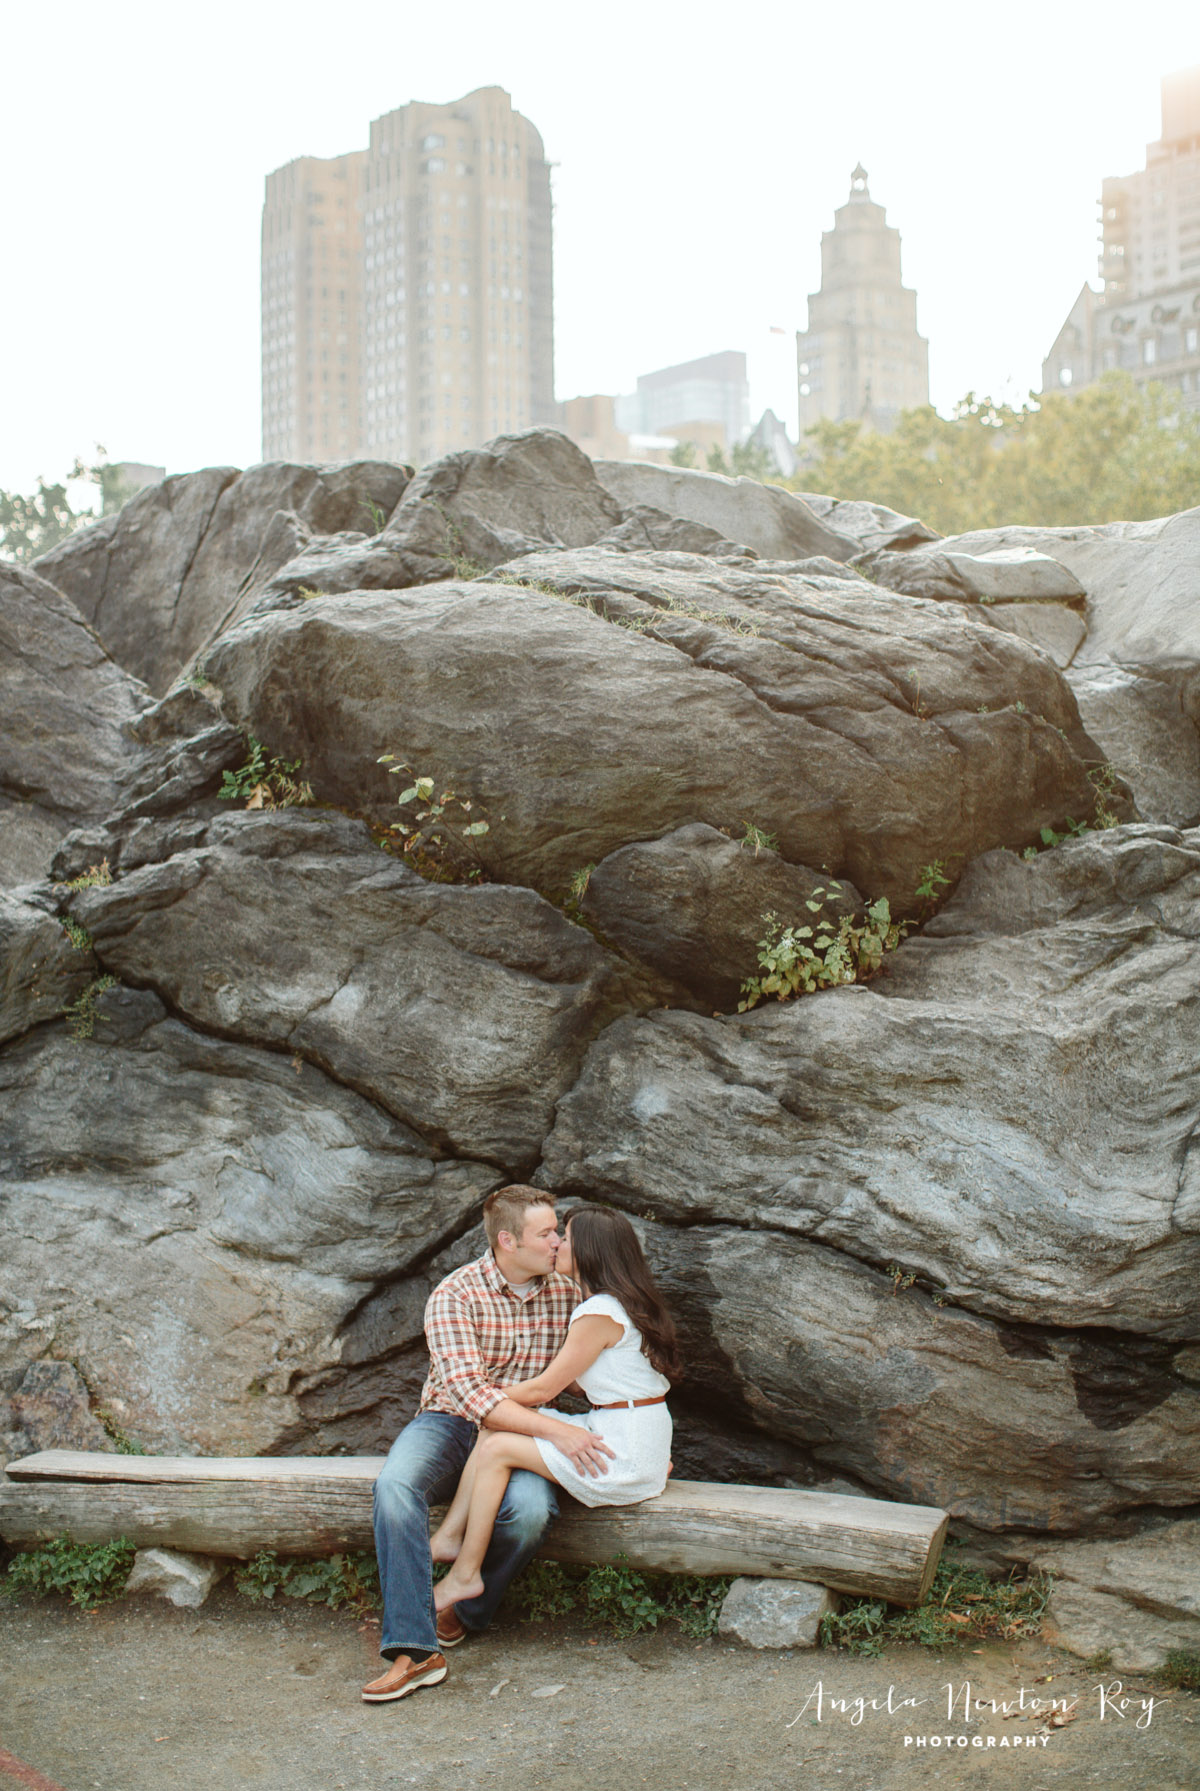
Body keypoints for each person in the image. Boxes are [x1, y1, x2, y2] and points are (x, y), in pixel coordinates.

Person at [362, 1185, 614, 1704]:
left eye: (557, 1231)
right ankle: (416, 1647)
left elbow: (601, 1374)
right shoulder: (455, 1294)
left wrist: (641, 1433)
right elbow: (471, 1396)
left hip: (523, 1432)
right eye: (546, 1233)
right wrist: (558, 1430)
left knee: (528, 1514)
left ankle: (462, 1606)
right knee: (394, 1487)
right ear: (507, 1240)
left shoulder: (571, 1294)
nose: (557, 1242)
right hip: (451, 1424)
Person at [429, 1205, 679, 1617]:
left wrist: (485, 1394)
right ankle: (452, 1537)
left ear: (589, 1251)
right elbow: (594, 1383)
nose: (557, 1243)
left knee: (495, 1445)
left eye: (566, 1236)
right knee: (496, 1432)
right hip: (629, 1430)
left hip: (621, 1447)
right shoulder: (619, 1305)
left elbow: (548, 1388)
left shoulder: (598, 1312)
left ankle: (465, 1572)